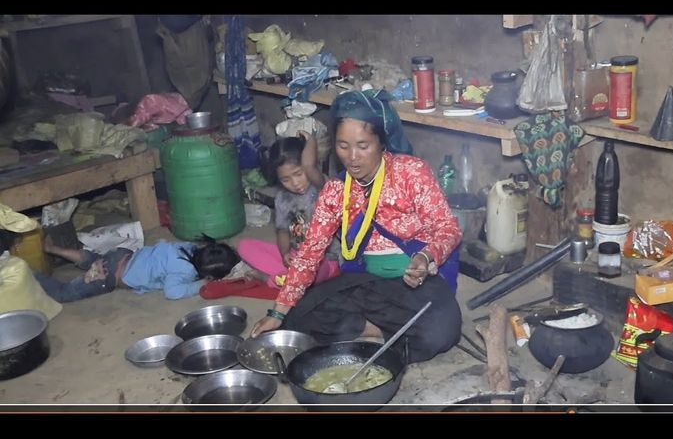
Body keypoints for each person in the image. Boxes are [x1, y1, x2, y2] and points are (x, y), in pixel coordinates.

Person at [250, 89, 463, 364]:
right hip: (365, 280)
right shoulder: (335, 190)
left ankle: (381, 326)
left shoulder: (412, 173)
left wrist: (426, 257)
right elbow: (310, 253)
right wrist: (277, 313)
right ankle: (374, 329)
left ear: (381, 142)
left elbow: (448, 228)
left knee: (442, 331)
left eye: (363, 146)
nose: (352, 157)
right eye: (343, 146)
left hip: (414, 281)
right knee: (297, 316)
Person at [237, 131, 340, 289]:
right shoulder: (282, 199)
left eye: (298, 174)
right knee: (244, 246)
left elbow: (310, 166)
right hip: (296, 256)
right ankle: (288, 279)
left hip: (326, 261)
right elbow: (283, 231)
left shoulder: (322, 187)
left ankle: (278, 280)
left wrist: (310, 140)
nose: (295, 183)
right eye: (286, 179)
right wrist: (285, 254)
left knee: (313, 272)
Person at [36, 236, 239, 302]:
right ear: (210, 275)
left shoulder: (186, 248)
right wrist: (201, 284)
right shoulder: (184, 271)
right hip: (110, 276)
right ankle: (31, 276)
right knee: (64, 294)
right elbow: (172, 292)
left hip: (121, 256)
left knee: (92, 258)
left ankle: (54, 249)